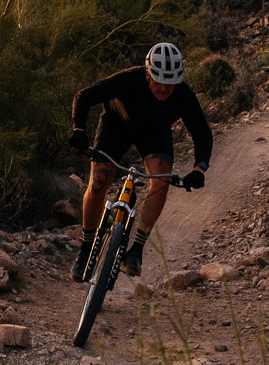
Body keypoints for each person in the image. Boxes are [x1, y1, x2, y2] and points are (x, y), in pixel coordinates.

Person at [68, 42, 212, 281]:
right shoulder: (129, 79)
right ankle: (86, 248)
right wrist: (79, 131)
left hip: (154, 133)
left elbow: (202, 132)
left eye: (171, 83)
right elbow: (84, 96)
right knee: (98, 182)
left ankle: (136, 249)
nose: (165, 88)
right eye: (159, 81)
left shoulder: (183, 94)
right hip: (117, 125)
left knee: (162, 179)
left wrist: (200, 169)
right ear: (147, 74)